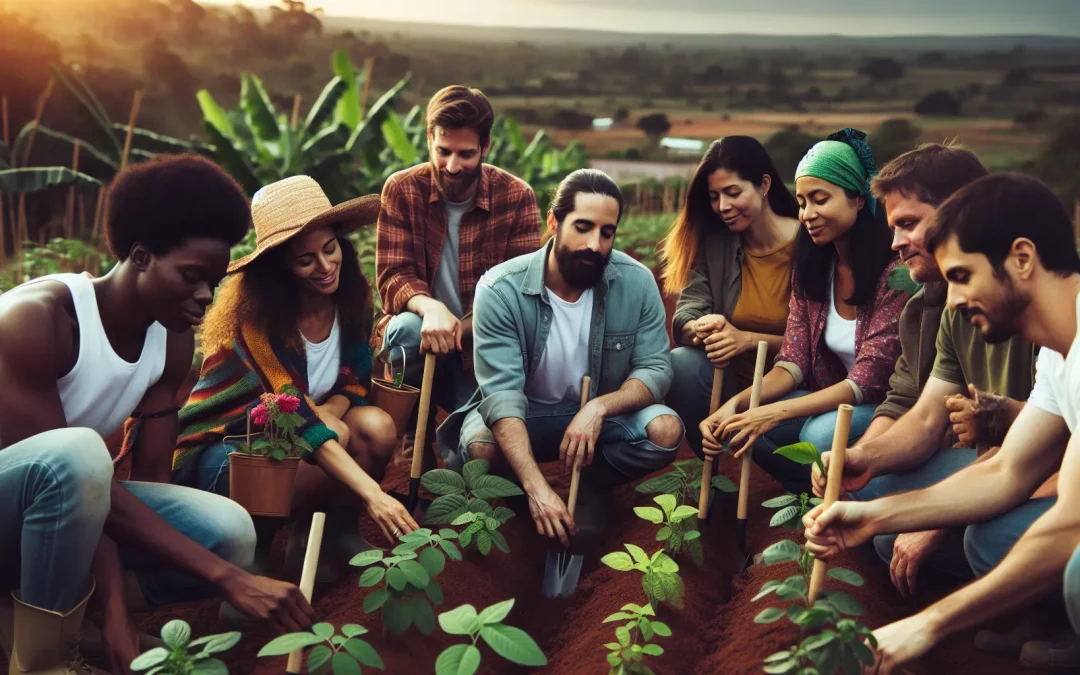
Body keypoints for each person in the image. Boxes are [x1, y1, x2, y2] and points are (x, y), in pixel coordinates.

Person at [0, 155, 311, 675]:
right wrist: (218, 583)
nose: (206, 297)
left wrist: (126, 595)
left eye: (213, 280)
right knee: (79, 453)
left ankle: (56, 617)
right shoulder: (38, 322)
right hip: (14, 508)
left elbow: (144, 490)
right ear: (141, 256)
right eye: (191, 276)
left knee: (229, 531)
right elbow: (77, 481)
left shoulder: (169, 341)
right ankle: (44, 657)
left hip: (65, 512)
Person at [804, 173, 1080, 673]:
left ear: (1022, 258)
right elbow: (1006, 471)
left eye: (961, 276)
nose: (951, 300)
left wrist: (930, 623)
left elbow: (1071, 521)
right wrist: (875, 517)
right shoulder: (1060, 357)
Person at [173, 176, 417, 579]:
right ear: (280, 268)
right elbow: (295, 415)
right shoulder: (256, 325)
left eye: (330, 249)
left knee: (376, 426)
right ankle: (254, 554)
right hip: (225, 452)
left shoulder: (352, 299)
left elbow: (354, 379)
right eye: (306, 260)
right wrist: (374, 494)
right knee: (330, 434)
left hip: (299, 430)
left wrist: (330, 410)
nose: (325, 267)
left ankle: (332, 538)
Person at [437, 169, 683, 547]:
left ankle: (593, 484)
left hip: (594, 423)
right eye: (582, 227)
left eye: (606, 232)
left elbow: (655, 368)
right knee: (480, 446)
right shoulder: (501, 290)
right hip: (524, 417)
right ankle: (517, 495)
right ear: (553, 222)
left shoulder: (635, 282)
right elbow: (501, 397)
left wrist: (599, 408)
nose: (595, 245)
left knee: (665, 431)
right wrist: (539, 489)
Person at [699, 128, 910, 495]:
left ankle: (851, 492)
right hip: (832, 401)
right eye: (801, 201)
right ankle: (816, 494)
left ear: (858, 199)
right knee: (738, 427)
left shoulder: (893, 276)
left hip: (885, 411)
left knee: (816, 433)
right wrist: (736, 405)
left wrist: (775, 412)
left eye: (820, 199)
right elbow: (792, 361)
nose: (807, 214)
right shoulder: (814, 265)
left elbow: (867, 381)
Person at [375, 84, 542, 465]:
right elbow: (392, 274)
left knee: (468, 457)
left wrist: (458, 329)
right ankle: (410, 441)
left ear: (486, 146)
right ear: (429, 138)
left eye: (466, 154)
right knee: (402, 331)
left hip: (483, 346)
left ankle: (454, 443)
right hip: (421, 340)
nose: (453, 166)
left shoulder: (516, 197)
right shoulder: (402, 190)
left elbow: (522, 293)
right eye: (443, 152)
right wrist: (430, 309)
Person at [660, 136, 801, 456]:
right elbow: (686, 315)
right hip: (731, 383)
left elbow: (820, 343)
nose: (722, 206)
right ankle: (712, 467)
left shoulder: (809, 245)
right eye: (714, 196)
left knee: (772, 447)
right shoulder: (715, 244)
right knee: (682, 365)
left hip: (793, 385)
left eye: (733, 192)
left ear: (764, 185)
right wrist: (704, 327)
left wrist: (747, 339)